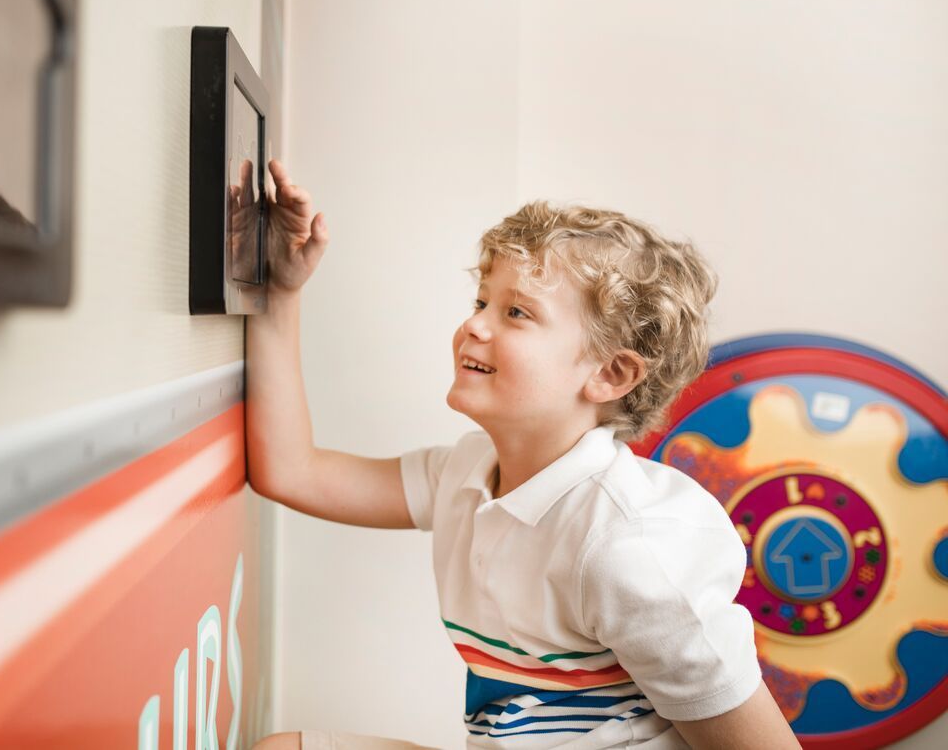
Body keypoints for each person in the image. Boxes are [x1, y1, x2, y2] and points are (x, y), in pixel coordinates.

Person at [245, 160, 801, 750]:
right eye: (481, 300)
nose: (473, 325)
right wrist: (280, 290)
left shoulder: (629, 547)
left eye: (516, 312)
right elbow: (291, 471)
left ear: (610, 373)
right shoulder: (465, 472)